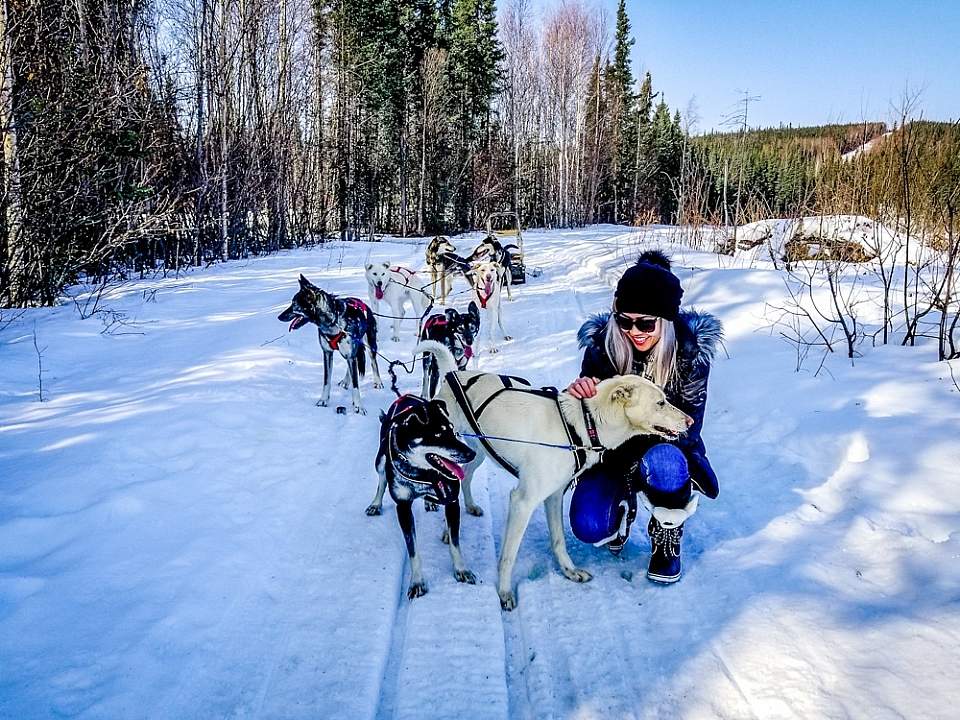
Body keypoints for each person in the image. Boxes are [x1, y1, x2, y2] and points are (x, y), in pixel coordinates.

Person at [566, 250, 722, 583]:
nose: (633, 331)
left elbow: (686, 430)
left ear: (664, 321)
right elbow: (590, 423)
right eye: (624, 320)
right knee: (588, 526)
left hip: (664, 448)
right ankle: (622, 507)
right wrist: (583, 396)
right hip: (610, 454)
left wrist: (633, 446)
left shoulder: (689, 354)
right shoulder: (602, 346)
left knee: (666, 462)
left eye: (646, 323)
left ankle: (667, 532)